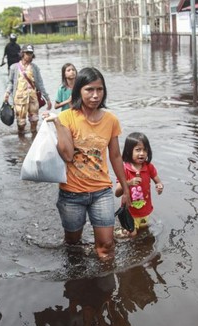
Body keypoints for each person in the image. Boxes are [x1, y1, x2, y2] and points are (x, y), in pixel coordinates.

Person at [44, 67, 130, 260]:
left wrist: (125, 187)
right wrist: (57, 124)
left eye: (99, 90)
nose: (95, 95)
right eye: (89, 90)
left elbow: (115, 156)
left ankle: (105, 288)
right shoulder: (66, 117)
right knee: (73, 245)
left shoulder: (111, 119)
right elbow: (66, 155)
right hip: (72, 194)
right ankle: (78, 285)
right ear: (79, 91)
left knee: (106, 246)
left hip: (102, 192)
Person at [114, 132, 164, 236]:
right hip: (129, 211)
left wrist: (159, 186)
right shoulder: (124, 169)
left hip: (144, 210)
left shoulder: (149, 167)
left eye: (145, 150)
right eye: (138, 150)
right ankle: (121, 233)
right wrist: (129, 183)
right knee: (133, 235)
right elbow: (117, 193)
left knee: (144, 230)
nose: (142, 153)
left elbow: (158, 181)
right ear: (128, 151)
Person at [4, 44, 52, 134]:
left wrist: (47, 99)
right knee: (21, 123)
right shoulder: (14, 67)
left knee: (34, 121)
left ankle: (33, 139)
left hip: (33, 97)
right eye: (27, 53)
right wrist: (7, 93)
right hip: (19, 98)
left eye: (30, 53)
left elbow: (40, 84)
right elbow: (10, 82)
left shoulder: (35, 68)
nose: (29, 55)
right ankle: (22, 141)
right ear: (22, 53)